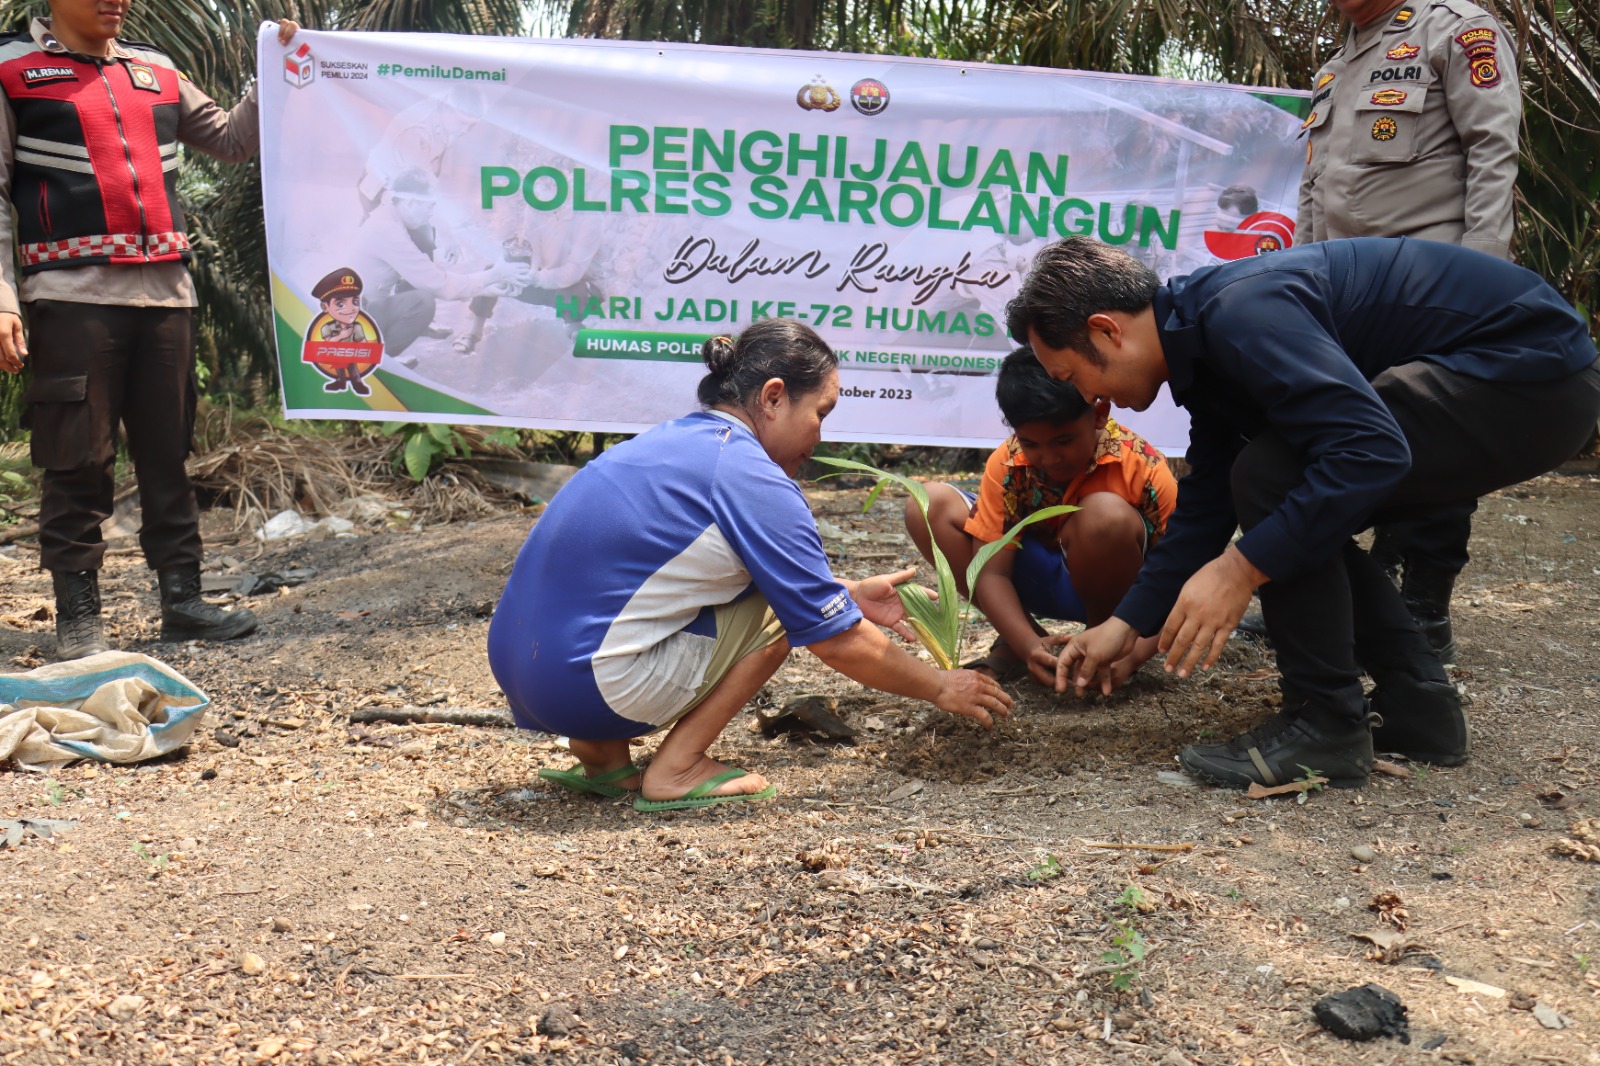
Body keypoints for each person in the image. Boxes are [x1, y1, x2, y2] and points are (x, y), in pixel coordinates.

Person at [1006, 235, 1599, 790]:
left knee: (1273, 477)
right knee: (1275, 485)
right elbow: (1211, 497)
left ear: (1106, 331)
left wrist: (1239, 570)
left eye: (1072, 377)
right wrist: (1126, 623)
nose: (1088, 399)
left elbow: (1371, 451)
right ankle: (1419, 707)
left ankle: (1326, 722)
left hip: (1531, 375)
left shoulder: (1241, 314)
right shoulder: (1200, 345)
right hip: (1529, 381)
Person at [487, 319, 1013, 812]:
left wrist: (843, 592)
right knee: (782, 613)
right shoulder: (751, 475)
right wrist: (942, 685)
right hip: (594, 686)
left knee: (731, 600)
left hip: (525, 678)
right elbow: (835, 639)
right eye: (820, 413)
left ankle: (603, 761)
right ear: (774, 397)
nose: (820, 436)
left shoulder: (665, 443)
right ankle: (678, 769)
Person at [0, 5, 298, 660]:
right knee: (77, 455)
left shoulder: (156, 68)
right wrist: (3, 300)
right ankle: (79, 618)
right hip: (68, 294)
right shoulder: (11, 69)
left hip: (167, 293)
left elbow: (230, 139)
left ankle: (183, 602)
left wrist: (270, 71)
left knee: (169, 453)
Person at [1296, 0, 1522, 662]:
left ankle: (1424, 608)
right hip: (1345, 290)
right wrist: (1303, 285)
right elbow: (1316, 189)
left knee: (1437, 435)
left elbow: (1492, 151)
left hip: (1433, 285)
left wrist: (1481, 282)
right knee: (1347, 434)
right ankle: (1348, 593)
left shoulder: (1457, 30)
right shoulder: (1339, 62)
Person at [904, 347, 1177, 688]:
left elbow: (1179, 585)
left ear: (1098, 414)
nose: (1049, 458)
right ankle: (1023, 643)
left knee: (1103, 516)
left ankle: (1101, 649)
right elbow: (990, 574)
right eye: (1032, 443)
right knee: (928, 504)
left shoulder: (1143, 469)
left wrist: (1134, 654)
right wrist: (1028, 645)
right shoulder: (1009, 463)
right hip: (1038, 580)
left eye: (1064, 441)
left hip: (1123, 602)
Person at [358, 169, 530, 360]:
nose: (431, 213)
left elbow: (432, 278)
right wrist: (496, 274)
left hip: (361, 310)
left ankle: (376, 353)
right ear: (411, 202)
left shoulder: (389, 217)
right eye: (430, 206)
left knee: (419, 296)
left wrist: (485, 290)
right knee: (422, 303)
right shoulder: (387, 231)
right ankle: (372, 359)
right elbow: (439, 284)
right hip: (355, 317)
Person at [311, 268, 371, 396]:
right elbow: (328, 344)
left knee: (352, 367)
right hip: (336, 354)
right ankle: (340, 381)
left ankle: (357, 383)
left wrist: (367, 350)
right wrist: (341, 336)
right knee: (338, 365)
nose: (351, 309)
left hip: (351, 354)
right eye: (340, 304)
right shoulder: (327, 327)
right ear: (325, 307)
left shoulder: (356, 327)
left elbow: (363, 342)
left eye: (355, 302)